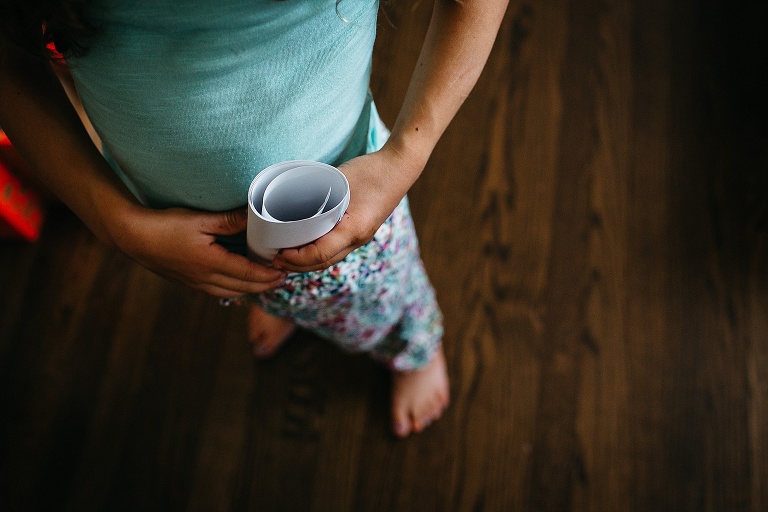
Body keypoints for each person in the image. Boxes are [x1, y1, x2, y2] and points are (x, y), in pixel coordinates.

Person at [0, 0, 508, 438]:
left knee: (381, 296)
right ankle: (287, 302)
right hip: (170, 225)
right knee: (265, 286)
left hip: (346, 207)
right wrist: (115, 221)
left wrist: (406, 156)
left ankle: (413, 350)